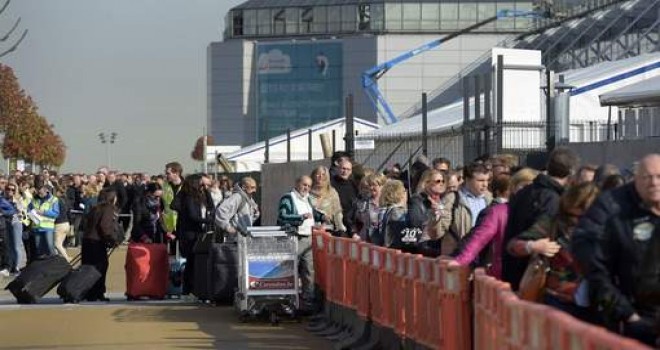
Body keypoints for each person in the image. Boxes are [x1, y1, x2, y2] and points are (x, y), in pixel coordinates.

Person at [572, 154, 660, 346]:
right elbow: (588, 254)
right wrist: (625, 313)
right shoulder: (612, 205)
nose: (654, 183)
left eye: (659, 177)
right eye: (647, 177)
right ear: (636, 179)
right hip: (631, 313)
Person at [509, 182, 599, 322]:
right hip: (558, 301)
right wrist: (532, 246)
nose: (574, 222)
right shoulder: (553, 223)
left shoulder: (607, 227)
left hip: (595, 303)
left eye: (582, 217)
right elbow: (513, 246)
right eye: (570, 216)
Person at [502, 147, 579, 291]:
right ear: (571, 173)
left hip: (512, 273)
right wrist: (534, 246)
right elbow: (531, 237)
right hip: (531, 278)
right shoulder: (553, 200)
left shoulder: (525, 192)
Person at [277, 175, 325, 311]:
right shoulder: (288, 198)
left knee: (309, 271)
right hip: (294, 238)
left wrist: (322, 216)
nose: (307, 188)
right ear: (297, 183)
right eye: (304, 185)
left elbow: (312, 213)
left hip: (308, 238)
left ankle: (307, 302)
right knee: (291, 270)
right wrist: (300, 217)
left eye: (309, 186)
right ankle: (287, 301)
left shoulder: (307, 199)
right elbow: (282, 216)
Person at [438, 162, 493, 256]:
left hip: (483, 254)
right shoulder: (451, 199)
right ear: (467, 180)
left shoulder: (490, 198)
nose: (485, 184)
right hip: (457, 255)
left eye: (487, 180)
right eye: (480, 180)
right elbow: (438, 231)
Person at [173, 174, 215, 296]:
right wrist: (209, 221)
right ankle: (187, 289)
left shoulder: (200, 196)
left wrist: (206, 191)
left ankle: (194, 289)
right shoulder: (189, 197)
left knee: (196, 262)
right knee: (191, 262)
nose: (203, 186)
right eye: (201, 183)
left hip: (198, 232)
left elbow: (211, 206)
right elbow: (192, 216)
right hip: (190, 234)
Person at [82, 188, 120, 302]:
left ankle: (89, 292)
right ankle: (98, 293)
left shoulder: (95, 208)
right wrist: (112, 240)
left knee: (88, 268)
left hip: (88, 241)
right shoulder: (108, 208)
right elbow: (105, 226)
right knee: (100, 268)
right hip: (97, 242)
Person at [408, 169, 446, 257]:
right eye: (437, 181)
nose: (441, 183)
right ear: (426, 183)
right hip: (426, 245)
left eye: (443, 181)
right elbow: (415, 222)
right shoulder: (417, 200)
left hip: (441, 242)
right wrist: (432, 215)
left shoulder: (444, 200)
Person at [215, 176, 260, 241]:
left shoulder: (249, 198)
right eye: (252, 187)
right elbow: (221, 211)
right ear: (244, 187)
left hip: (244, 239)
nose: (254, 190)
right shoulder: (237, 197)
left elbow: (246, 219)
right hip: (235, 240)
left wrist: (256, 214)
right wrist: (228, 227)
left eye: (255, 187)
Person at [27, 177, 60, 258]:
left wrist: (44, 212)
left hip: (48, 228)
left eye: (40, 188)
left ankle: (53, 265)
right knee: (39, 250)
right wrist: (30, 212)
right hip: (37, 228)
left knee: (50, 248)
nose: (38, 191)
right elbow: (28, 209)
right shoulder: (34, 199)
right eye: (37, 189)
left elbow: (56, 214)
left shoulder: (53, 199)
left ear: (45, 188)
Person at [310, 165, 345, 234]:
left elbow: (337, 211)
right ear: (313, 176)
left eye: (323, 174)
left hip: (327, 229)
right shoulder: (307, 191)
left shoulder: (332, 192)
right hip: (310, 228)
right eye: (318, 174)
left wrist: (340, 227)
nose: (320, 176)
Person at [351, 174, 386, 243]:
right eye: (370, 185)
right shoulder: (362, 203)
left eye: (374, 185)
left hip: (382, 242)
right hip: (364, 241)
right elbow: (353, 221)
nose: (371, 187)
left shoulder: (387, 204)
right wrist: (354, 233)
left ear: (382, 186)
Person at [330, 159, 357, 236]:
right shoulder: (331, 184)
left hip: (350, 223)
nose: (345, 172)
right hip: (336, 223)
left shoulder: (353, 184)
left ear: (351, 171)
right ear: (338, 169)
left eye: (348, 169)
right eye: (343, 168)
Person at [53, 185, 72, 262]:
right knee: (59, 244)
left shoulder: (56, 200)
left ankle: (66, 258)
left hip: (59, 224)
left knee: (57, 244)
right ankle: (61, 258)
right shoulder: (65, 200)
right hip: (66, 223)